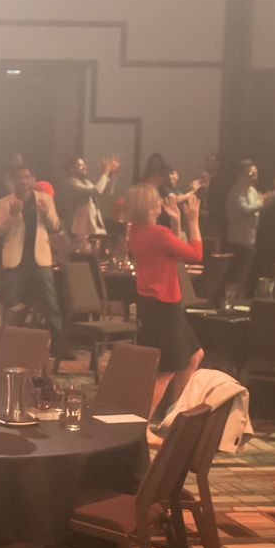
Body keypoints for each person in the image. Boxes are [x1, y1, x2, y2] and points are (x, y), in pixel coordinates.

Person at [125, 183, 205, 416]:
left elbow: (173, 252)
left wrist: (176, 221)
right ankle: (144, 424)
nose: (161, 201)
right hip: (164, 306)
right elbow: (195, 255)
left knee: (194, 356)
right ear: (152, 205)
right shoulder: (158, 234)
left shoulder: (136, 232)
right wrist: (193, 220)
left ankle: (174, 413)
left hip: (151, 304)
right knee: (167, 369)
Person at [0, 166, 62, 337]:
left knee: (50, 303)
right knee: (12, 305)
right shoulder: (4, 202)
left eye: (26, 177)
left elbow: (55, 226)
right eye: (19, 178)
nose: (23, 181)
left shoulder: (45, 199)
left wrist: (46, 213)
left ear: (33, 179)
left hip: (41, 259)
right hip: (15, 260)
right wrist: (12, 215)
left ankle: (58, 343)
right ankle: (7, 342)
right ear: (13, 180)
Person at [225, 159, 275, 299]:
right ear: (240, 175)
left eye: (256, 173)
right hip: (237, 241)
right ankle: (231, 301)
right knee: (236, 277)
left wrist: (274, 194)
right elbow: (245, 209)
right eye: (250, 173)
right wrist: (263, 200)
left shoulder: (252, 191)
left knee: (246, 276)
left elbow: (259, 208)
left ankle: (242, 302)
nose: (254, 177)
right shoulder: (236, 190)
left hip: (250, 240)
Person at [61, 155, 119, 256]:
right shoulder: (71, 184)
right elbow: (96, 191)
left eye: (84, 164)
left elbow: (105, 193)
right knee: (85, 260)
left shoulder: (86, 182)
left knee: (96, 260)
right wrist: (105, 173)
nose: (85, 167)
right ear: (71, 169)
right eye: (80, 165)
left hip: (93, 229)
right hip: (81, 231)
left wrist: (111, 174)